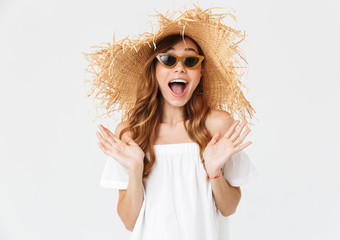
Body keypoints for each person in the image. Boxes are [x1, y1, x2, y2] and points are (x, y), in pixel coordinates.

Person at [84, 5, 257, 240]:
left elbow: (229, 208)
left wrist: (214, 171)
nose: (180, 67)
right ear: (154, 69)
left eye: (190, 60)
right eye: (168, 59)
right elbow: (129, 221)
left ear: (201, 71)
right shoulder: (131, 133)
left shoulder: (218, 126)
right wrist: (135, 170)